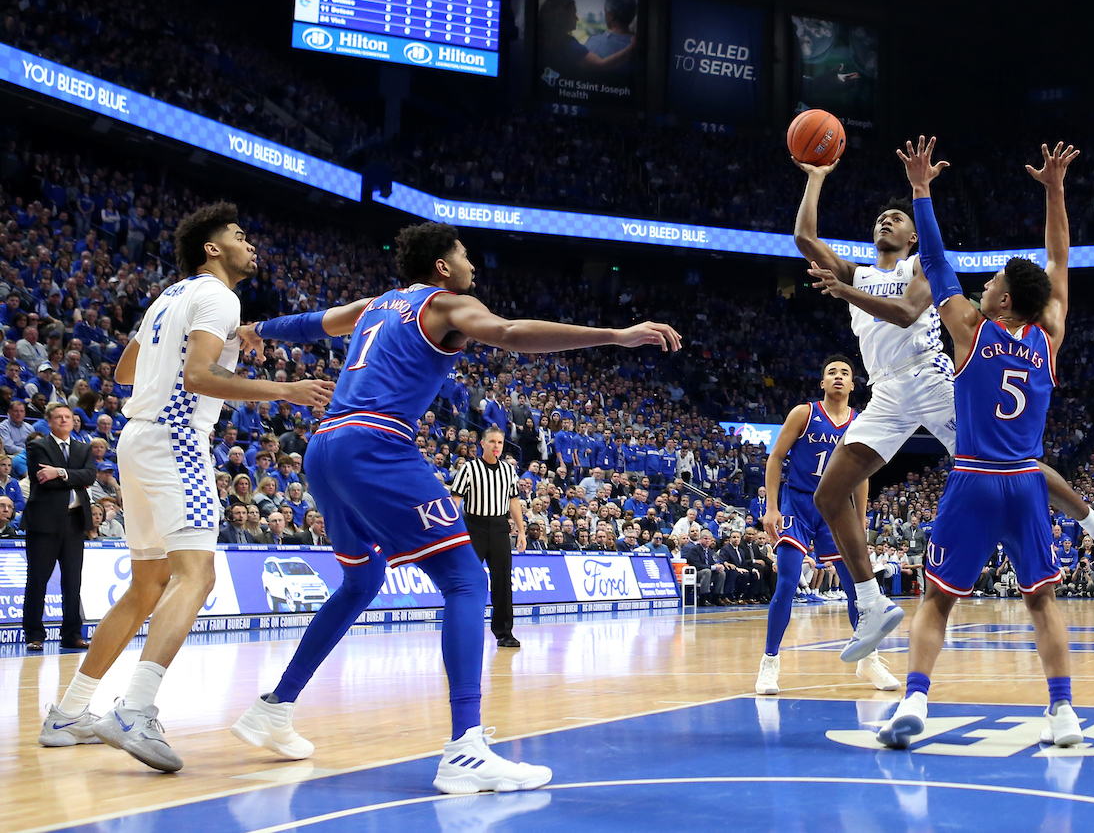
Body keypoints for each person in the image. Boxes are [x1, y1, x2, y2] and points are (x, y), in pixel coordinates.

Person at [229, 222, 680, 794]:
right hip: (376, 443)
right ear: (442, 266)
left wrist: (258, 329)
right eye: (464, 254)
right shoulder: (445, 304)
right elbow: (510, 332)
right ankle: (465, 747)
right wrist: (615, 335)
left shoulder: (378, 305)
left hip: (326, 447)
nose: (472, 265)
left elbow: (315, 322)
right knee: (466, 579)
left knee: (362, 581)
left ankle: (275, 706)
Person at [795, 148, 1094, 663]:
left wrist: (847, 290)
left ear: (912, 236)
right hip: (886, 390)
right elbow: (805, 238)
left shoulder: (919, 266)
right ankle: (870, 603)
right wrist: (815, 177)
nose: (885, 221)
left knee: (1011, 459)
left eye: (896, 218)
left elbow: (905, 312)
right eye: (880, 218)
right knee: (829, 495)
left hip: (931, 377)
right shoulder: (856, 272)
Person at [38, 203, 334, 768]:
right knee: (197, 575)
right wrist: (285, 390)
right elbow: (198, 376)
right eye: (240, 235)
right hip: (177, 438)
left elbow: (125, 371)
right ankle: (134, 709)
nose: (251, 244)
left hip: (137, 439)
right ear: (212, 249)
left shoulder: (168, 296)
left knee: (148, 585)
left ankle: (70, 712)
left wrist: (220, 347)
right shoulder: (220, 296)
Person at [876, 138, 1083, 750]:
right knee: (1042, 602)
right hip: (1025, 482)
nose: (984, 285)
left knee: (937, 600)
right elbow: (1059, 260)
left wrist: (920, 190)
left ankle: (915, 699)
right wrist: (1055, 190)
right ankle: (1063, 712)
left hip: (973, 479)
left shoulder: (970, 330)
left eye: (991, 282)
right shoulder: (1048, 337)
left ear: (1003, 301)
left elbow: (936, 262)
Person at [757, 355, 899, 695]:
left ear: (852, 385)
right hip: (799, 503)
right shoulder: (804, 413)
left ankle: (868, 660)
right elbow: (776, 457)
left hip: (836, 508)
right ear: (822, 383)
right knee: (787, 582)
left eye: (845, 373)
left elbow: (862, 475)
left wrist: (860, 520)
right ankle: (769, 661)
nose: (838, 376)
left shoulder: (860, 422)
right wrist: (772, 507)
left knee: (857, 588)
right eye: (831, 372)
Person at [21, 402, 97, 652]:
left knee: (73, 582)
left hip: (74, 522)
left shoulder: (83, 448)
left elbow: (90, 476)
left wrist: (61, 472)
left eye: (68, 416)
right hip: (44, 523)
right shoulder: (38, 446)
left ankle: (72, 635)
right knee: (38, 580)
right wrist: (73, 476)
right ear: (49, 421)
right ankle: (34, 634)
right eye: (59, 417)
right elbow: (43, 480)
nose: (64, 420)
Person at [450, 426, 525, 647]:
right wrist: (451, 530)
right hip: (474, 527)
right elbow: (455, 501)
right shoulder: (469, 469)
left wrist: (521, 531)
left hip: (500, 527)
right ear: (482, 444)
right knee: (469, 580)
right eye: (492, 441)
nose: (496, 446)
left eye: (499, 442)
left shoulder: (508, 470)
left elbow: (513, 501)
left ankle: (504, 633)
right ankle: (463, 630)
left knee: (503, 581)